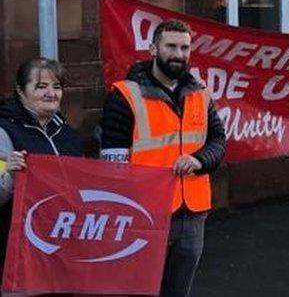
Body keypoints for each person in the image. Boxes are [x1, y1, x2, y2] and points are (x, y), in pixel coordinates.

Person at [99, 19, 226, 297]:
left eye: (185, 47)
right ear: (153, 48)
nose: (179, 54)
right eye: (171, 46)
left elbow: (218, 140)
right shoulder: (125, 96)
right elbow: (112, 165)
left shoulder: (200, 92)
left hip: (192, 214)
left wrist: (199, 160)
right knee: (140, 289)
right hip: (145, 215)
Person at [0, 58, 83, 277]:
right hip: (19, 251)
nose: (51, 93)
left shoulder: (69, 136)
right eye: (41, 86)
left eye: (57, 87)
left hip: (62, 247)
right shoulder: (4, 131)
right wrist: (9, 171)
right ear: (20, 91)